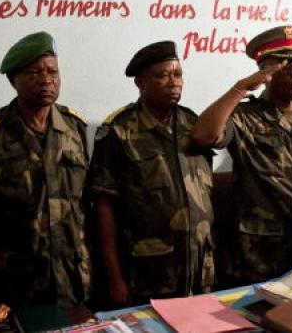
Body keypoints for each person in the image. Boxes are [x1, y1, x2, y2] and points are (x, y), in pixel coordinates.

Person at [0, 32, 91, 316]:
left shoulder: (76, 128)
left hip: (71, 277)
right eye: (34, 72)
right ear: (13, 80)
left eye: (52, 71)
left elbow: (87, 201)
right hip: (13, 282)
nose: (46, 80)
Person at [190, 26, 292, 284]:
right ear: (265, 72)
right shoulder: (244, 117)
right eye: (287, 64)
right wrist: (240, 88)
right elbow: (203, 136)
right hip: (261, 250)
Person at [85, 41, 214, 307]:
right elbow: (104, 206)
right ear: (140, 82)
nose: (173, 82)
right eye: (162, 75)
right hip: (147, 273)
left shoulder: (194, 124)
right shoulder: (119, 131)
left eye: (177, 75)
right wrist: (114, 278)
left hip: (199, 270)